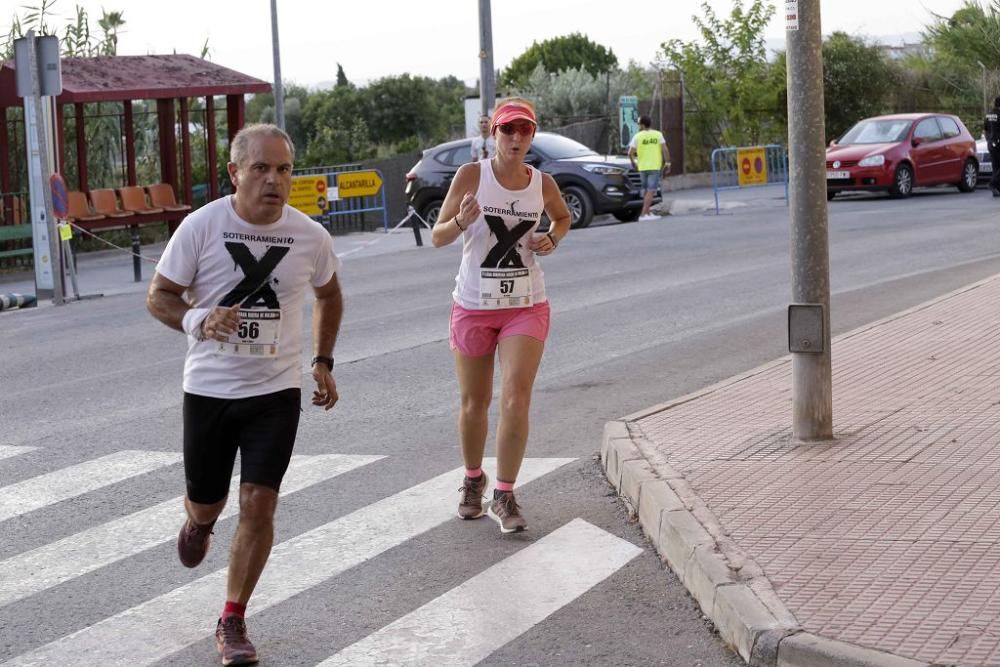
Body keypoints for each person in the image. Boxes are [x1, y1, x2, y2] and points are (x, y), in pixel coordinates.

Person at [146, 123, 343, 666]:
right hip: (209, 389)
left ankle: (232, 618)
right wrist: (197, 319)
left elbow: (330, 294)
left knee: (259, 503)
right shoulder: (202, 226)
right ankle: (199, 522)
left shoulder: (310, 236)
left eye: (284, 169)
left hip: (275, 391)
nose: (274, 180)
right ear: (234, 173)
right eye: (261, 168)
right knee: (209, 500)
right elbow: (158, 297)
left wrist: (322, 361)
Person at [432, 97, 571, 534]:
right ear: (493, 132)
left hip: (526, 304)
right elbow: (437, 237)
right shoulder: (471, 176)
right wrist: (459, 220)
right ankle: (473, 480)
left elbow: (562, 217)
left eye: (524, 130)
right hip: (473, 304)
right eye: (508, 130)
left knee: (516, 397)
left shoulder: (541, 183)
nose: (516, 138)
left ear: (533, 135)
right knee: (476, 402)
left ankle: (505, 493)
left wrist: (554, 236)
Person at [627, 115, 671, 220]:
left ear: (642, 125)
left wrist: (633, 162)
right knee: (651, 190)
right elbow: (665, 150)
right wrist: (668, 163)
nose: (638, 125)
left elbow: (630, 153)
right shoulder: (658, 135)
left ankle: (647, 212)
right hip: (654, 166)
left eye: (639, 123)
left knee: (647, 191)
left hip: (642, 167)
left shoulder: (637, 137)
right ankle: (643, 215)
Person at [985, 96, 1000, 197]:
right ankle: (993, 183)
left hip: (990, 143)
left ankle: (997, 189)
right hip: (999, 143)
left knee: (996, 166)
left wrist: (988, 140)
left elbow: (986, 129)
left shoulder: (988, 115)